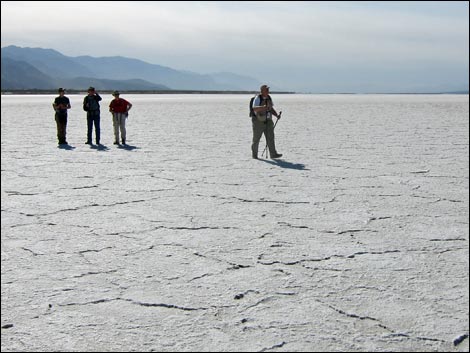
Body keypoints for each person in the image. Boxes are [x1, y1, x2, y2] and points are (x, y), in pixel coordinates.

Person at [251, 84, 282, 159]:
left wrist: (276, 115)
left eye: (268, 89)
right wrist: (264, 107)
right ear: (262, 91)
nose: (268, 91)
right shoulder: (257, 98)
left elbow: (271, 109)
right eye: (266, 89)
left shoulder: (269, 98)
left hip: (268, 120)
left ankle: (273, 154)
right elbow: (254, 108)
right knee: (256, 138)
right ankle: (254, 155)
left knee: (270, 137)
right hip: (258, 121)